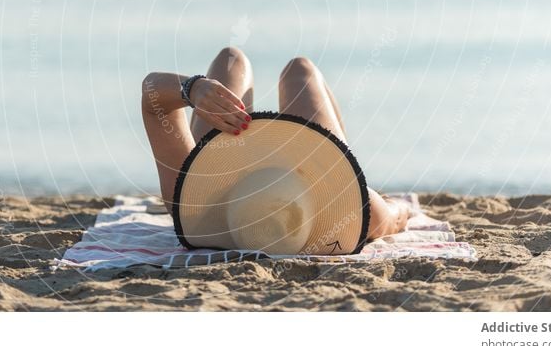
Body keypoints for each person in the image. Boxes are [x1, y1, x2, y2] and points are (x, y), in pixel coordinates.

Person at [141, 46, 409, 249]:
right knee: (299, 70)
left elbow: (152, 95)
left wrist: (194, 88)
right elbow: (396, 216)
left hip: (233, 169)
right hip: (309, 172)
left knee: (231, 59)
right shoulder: (363, 213)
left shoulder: (187, 204)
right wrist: (397, 206)